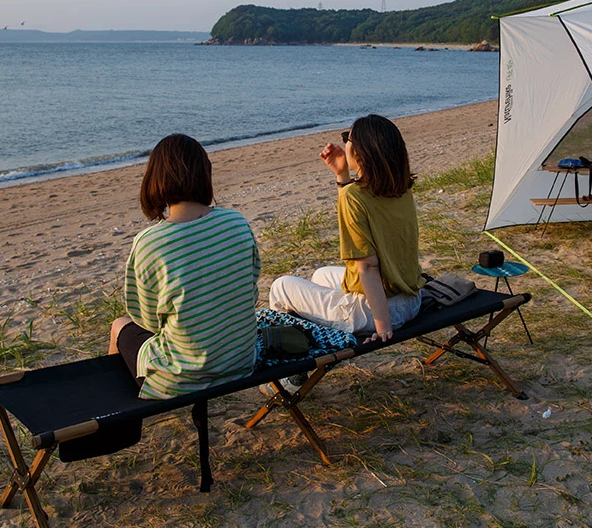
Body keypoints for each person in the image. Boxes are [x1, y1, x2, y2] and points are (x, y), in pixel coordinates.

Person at [109, 133, 261, 400]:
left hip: (183, 378)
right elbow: (251, 286)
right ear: (205, 174)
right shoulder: (236, 222)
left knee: (119, 326)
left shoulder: (149, 243)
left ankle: (114, 414)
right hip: (242, 362)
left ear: (155, 179)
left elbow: (145, 319)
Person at [269, 114, 425, 343]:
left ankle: (291, 364)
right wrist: (342, 175)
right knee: (320, 275)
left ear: (359, 153)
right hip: (412, 300)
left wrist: (383, 328)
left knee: (280, 287)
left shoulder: (354, 196)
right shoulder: (401, 187)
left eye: (347, 138)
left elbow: (368, 268)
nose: (344, 143)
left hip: (379, 312)